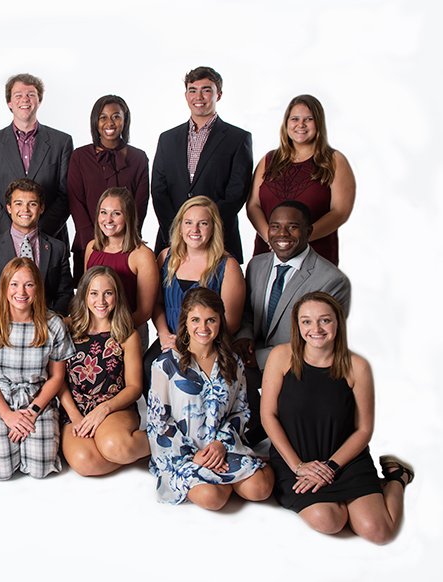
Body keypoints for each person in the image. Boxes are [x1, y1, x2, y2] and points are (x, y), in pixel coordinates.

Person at [261, 292, 413, 543]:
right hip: (297, 460)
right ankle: (361, 492)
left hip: (344, 459)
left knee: (379, 532)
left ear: (338, 323)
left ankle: (397, 478)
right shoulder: (281, 356)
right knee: (328, 520)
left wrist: (331, 466)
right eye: (307, 321)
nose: (316, 328)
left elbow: (363, 430)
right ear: (297, 325)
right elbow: (268, 416)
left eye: (325, 320)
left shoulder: (357, 366)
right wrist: (298, 465)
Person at [234, 200, 350, 444]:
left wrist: (263, 357)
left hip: (298, 367)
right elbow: (246, 310)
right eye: (275, 226)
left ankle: (262, 432)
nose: (282, 234)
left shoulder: (331, 281)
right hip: (250, 359)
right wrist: (244, 336)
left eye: (292, 227)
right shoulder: (257, 265)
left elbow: (318, 342)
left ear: (308, 231)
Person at [146, 287, 273, 508]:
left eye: (211, 320)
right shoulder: (165, 364)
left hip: (223, 447)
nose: (203, 327)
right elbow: (158, 422)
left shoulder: (233, 362)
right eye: (195, 319)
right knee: (211, 499)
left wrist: (222, 444)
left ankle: (236, 471)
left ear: (220, 322)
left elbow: (241, 411)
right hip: (182, 454)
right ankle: (220, 479)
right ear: (184, 321)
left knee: (260, 489)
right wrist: (192, 455)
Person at [0, 258, 75, 480]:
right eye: (14, 284)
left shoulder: (52, 324)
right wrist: (7, 416)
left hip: (37, 398)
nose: (21, 292)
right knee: (1, 471)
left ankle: (30, 443)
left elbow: (56, 377)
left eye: (29, 284)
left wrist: (32, 413)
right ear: (4, 286)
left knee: (40, 469)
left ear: (38, 288)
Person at [151, 66, 252, 263]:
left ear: (218, 94)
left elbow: (237, 192)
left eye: (206, 90)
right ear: (186, 95)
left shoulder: (237, 138)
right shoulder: (168, 139)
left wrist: (206, 226)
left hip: (219, 238)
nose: (199, 96)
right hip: (172, 239)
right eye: (192, 90)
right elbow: (158, 190)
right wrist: (178, 230)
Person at [60, 266, 149, 476]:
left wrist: (103, 410)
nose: (101, 301)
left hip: (115, 407)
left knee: (114, 446)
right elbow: (57, 380)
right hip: (77, 409)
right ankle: (120, 455)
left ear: (117, 296)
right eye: (94, 293)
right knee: (85, 462)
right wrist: (74, 415)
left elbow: (135, 387)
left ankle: (163, 443)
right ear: (83, 295)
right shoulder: (67, 328)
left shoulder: (127, 334)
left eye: (108, 293)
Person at [246, 95, 356, 266]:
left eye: (308, 119)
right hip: (268, 253)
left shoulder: (334, 161)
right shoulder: (269, 160)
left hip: (314, 255)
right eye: (295, 119)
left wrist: (299, 239)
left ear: (318, 123)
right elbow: (253, 205)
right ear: (286, 123)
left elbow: (340, 212)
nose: (301, 124)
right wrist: (272, 238)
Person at [0, 73, 73, 244]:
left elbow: (65, 195)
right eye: (18, 95)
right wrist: (14, 234)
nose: (25, 99)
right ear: (9, 102)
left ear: (39, 100)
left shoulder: (62, 142)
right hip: (3, 241)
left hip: (50, 239)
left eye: (31, 94)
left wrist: (37, 233)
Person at [150, 196, 245, 355]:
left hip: (209, 345)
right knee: (148, 368)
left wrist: (194, 344)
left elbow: (232, 323)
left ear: (213, 227)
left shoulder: (228, 266)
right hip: (170, 340)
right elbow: (157, 304)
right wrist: (164, 335)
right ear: (180, 226)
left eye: (203, 223)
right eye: (188, 223)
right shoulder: (165, 258)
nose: (195, 229)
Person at [68, 95, 150, 277]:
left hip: (127, 246)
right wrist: (97, 243)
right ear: (95, 121)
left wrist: (124, 241)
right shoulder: (79, 157)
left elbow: (140, 205)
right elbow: (75, 202)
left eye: (116, 116)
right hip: (90, 243)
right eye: (103, 117)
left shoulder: (139, 158)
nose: (109, 123)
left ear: (125, 120)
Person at [0, 178, 73, 315]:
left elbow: (65, 295)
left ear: (41, 208)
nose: (25, 209)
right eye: (18, 204)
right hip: (4, 327)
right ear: (9, 208)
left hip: (47, 324)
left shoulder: (58, 249)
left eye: (32, 204)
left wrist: (47, 320)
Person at [84, 187, 158, 349]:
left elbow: (144, 312)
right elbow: (86, 296)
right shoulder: (92, 248)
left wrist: (111, 332)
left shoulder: (142, 255)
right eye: (103, 212)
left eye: (116, 213)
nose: (108, 219)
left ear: (128, 216)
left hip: (128, 333)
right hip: (92, 331)